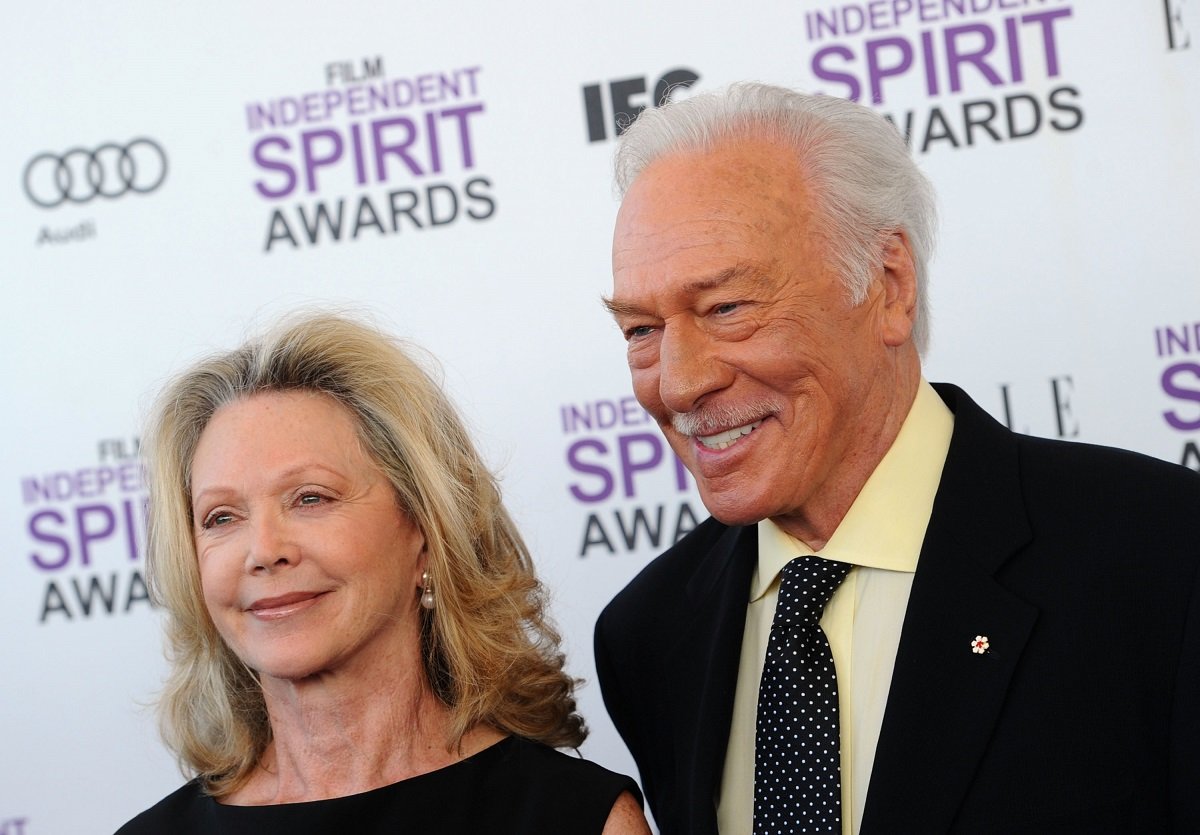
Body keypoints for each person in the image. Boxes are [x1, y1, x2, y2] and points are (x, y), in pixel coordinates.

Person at [593, 82, 1200, 834]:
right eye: (641, 330)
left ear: (889, 286)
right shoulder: (648, 637)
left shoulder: (1162, 557)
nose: (680, 382)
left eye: (727, 308)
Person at [118, 313, 650, 835]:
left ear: (423, 528)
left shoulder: (574, 818)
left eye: (310, 498)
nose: (263, 550)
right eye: (222, 518)